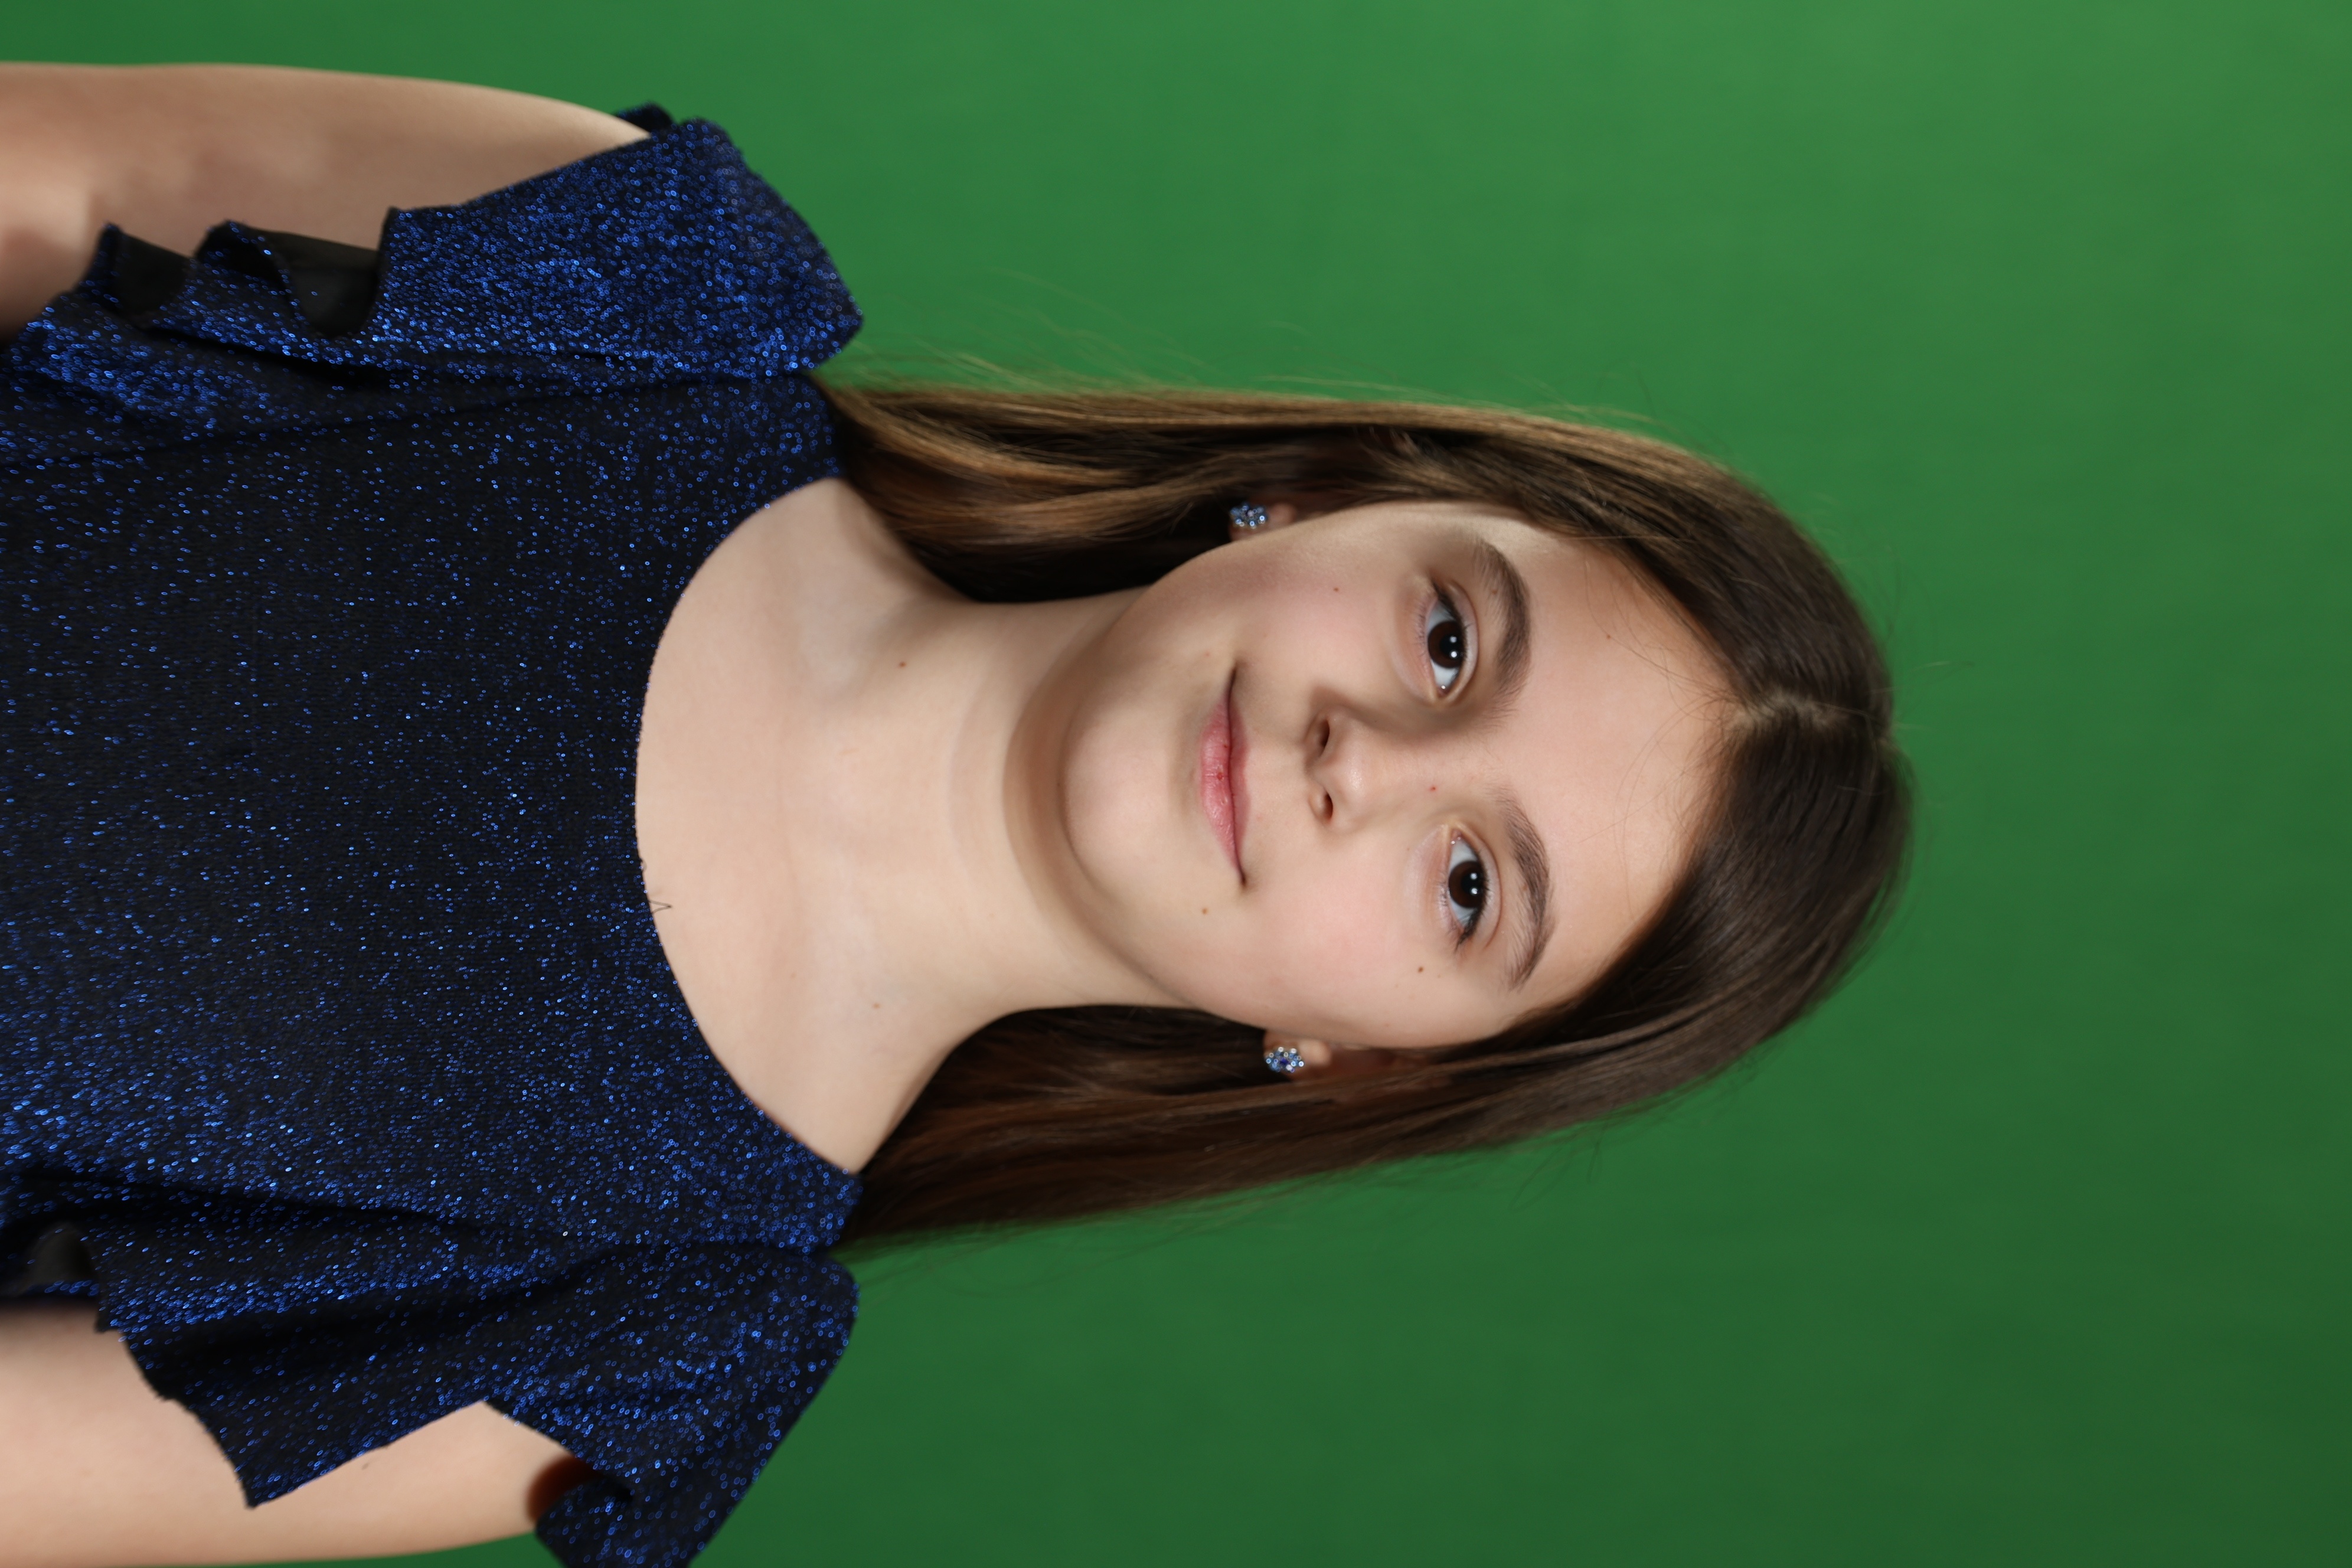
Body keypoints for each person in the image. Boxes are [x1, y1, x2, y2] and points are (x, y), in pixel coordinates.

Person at [0, 63, 1909, 1568]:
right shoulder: (640, 277)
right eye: (1448, 641)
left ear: (1359, 1057)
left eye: (1473, 883)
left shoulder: (648, 1325)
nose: (1363, 763)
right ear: (1343, 494)